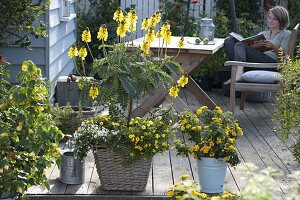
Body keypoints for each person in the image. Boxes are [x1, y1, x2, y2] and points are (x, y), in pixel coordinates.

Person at [224, 6, 290, 80]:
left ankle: (238, 73)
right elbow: (250, 47)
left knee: (240, 45)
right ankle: (237, 71)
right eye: (269, 18)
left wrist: (273, 46)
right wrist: (254, 46)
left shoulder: (286, 34)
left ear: (281, 20)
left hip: (272, 63)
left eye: (274, 19)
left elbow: (285, 58)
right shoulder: (263, 33)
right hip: (256, 61)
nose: (270, 21)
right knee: (229, 41)